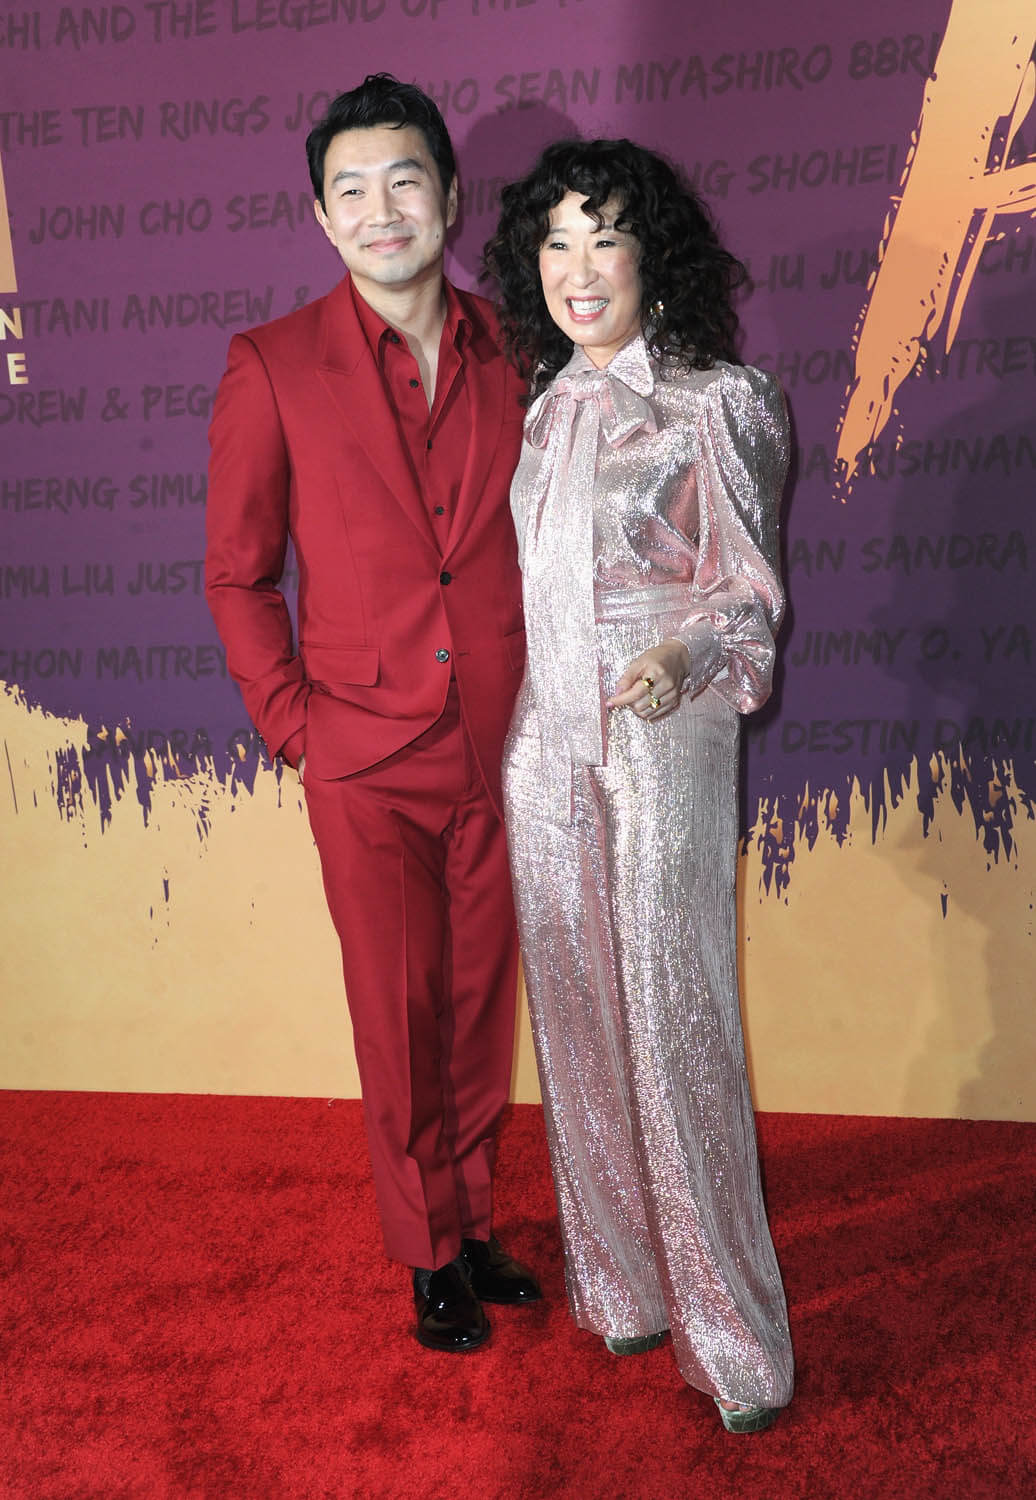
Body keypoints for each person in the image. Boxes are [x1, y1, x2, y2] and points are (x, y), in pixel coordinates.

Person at [205, 75, 540, 1353]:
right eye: (350, 189)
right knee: (397, 1011)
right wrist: (295, 724)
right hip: (362, 751)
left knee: (477, 1005)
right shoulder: (272, 365)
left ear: (448, 197)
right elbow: (237, 574)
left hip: (505, 737)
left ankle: (474, 1220)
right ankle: (426, 1251)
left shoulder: (519, 348)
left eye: (404, 180)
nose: (380, 208)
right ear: (320, 216)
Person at [483, 138, 793, 1430]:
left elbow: (749, 593)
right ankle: (622, 1285)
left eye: (602, 237)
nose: (577, 267)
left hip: (665, 720)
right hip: (543, 738)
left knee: (675, 1018)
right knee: (574, 1016)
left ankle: (735, 1341)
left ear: (650, 257)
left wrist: (683, 655)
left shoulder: (721, 401)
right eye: (554, 242)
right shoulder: (540, 410)